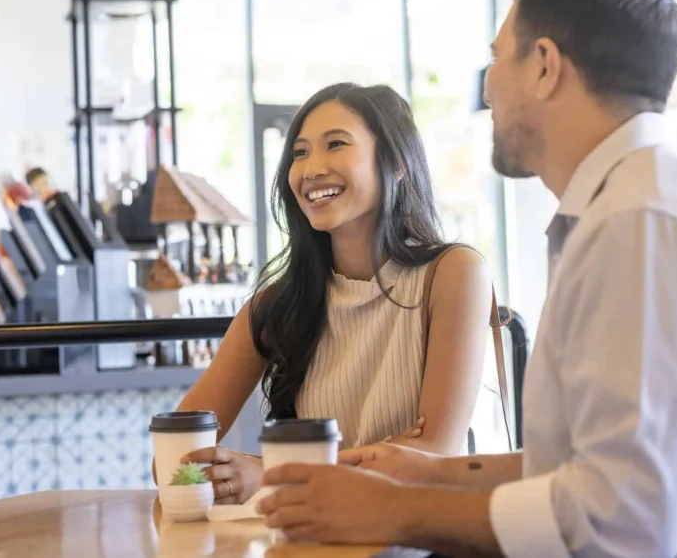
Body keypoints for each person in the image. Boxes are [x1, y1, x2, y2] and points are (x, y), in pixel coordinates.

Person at [255, 0, 677, 557]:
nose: (489, 87)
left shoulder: (643, 224)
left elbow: (623, 520)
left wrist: (391, 510)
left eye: (498, 58)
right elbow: (598, 468)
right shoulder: (634, 206)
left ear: (545, 65)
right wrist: (423, 474)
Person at [173, 82, 494, 505]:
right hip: (313, 535)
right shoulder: (276, 305)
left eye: (336, 144)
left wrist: (272, 472)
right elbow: (177, 459)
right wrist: (388, 449)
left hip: (421, 536)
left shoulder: (453, 273)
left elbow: (434, 454)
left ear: (397, 162)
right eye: (300, 152)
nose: (310, 169)